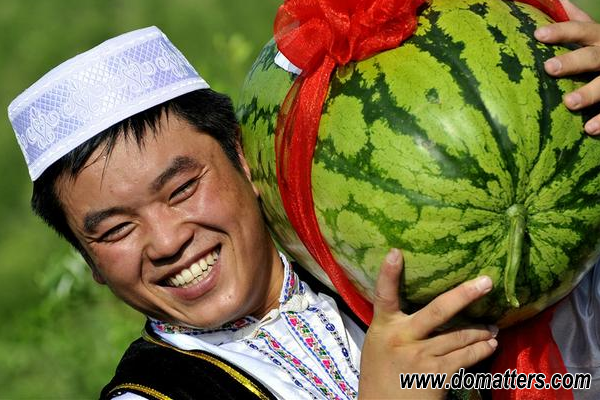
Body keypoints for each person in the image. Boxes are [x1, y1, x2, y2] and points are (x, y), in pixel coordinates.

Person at [6, 2, 600, 399]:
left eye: (183, 189)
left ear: (243, 158)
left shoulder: (391, 238)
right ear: (91, 265)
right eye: (114, 231)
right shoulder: (156, 394)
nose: (166, 242)